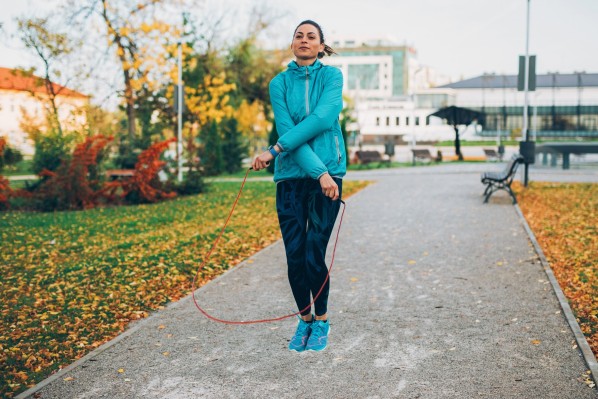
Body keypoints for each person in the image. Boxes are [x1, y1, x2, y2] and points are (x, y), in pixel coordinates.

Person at [252, 19, 346, 352]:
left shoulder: (332, 77)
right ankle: (304, 320)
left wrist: (279, 150)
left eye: (311, 37)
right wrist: (310, 167)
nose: (304, 40)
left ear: (321, 46)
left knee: (313, 253)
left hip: (328, 178)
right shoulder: (278, 83)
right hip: (291, 178)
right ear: (292, 44)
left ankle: (322, 321)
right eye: (298, 36)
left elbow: (320, 120)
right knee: (294, 256)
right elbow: (290, 128)